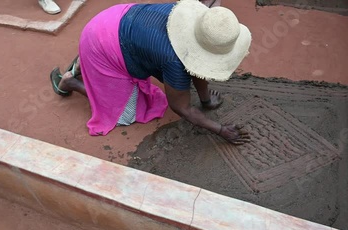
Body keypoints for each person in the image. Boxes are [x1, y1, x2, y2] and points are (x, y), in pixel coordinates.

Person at [49, 0, 252, 145]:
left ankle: (85, 61)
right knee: (124, 116)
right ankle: (71, 82)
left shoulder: (190, 15)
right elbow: (181, 107)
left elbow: (198, 69)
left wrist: (206, 100)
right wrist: (220, 130)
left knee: (143, 58)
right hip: (102, 42)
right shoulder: (174, 61)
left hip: (112, 20)